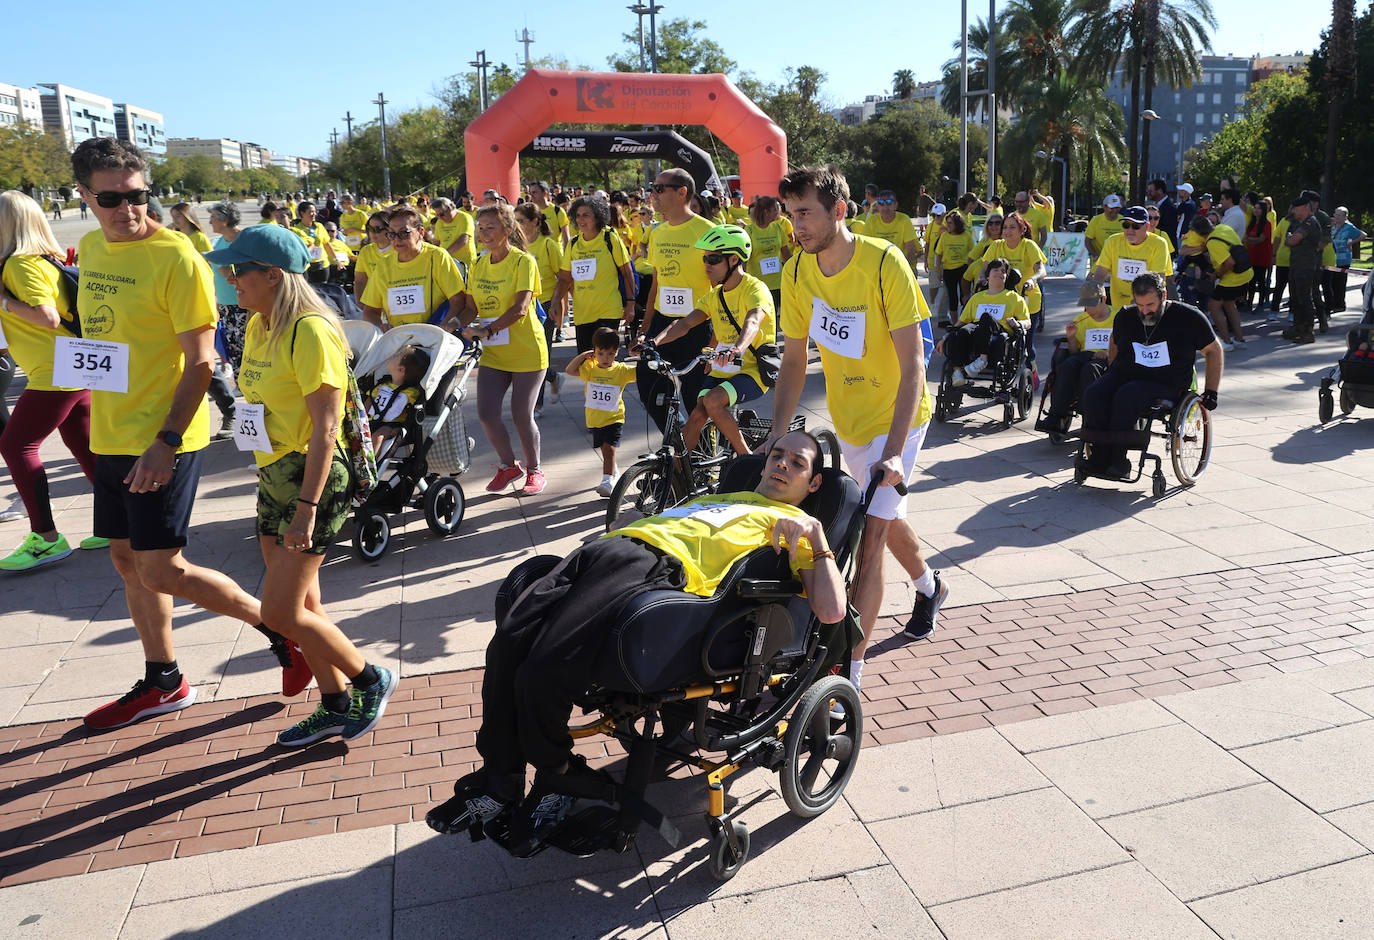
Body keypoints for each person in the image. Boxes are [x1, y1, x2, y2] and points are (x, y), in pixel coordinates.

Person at [426, 430, 846, 847]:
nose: (782, 464)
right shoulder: (721, 496)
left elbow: (831, 611)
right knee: (505, 649)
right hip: (607, 549)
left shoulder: (794, 528)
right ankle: (501, 779)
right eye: (778, 455)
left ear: (812, 484)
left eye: (798, 463)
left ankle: (560, 776)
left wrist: (816, 534)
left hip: (649, 565)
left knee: (544, 669)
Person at [68, 138, 302, 730]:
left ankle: (278, 627)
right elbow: (103, 335)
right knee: (125, 559)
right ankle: (164, 679)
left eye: (138, 195)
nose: (129, 209)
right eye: (111, 198)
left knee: (162, 568)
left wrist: (165, 442)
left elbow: (202, 362)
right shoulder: (92, 247)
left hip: (166, 435)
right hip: (113, 431)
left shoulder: (176, 257)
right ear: (85, 197)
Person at [205, 225, 397, 745]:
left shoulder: (310, 330)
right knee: (305, 607)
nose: (229, 279)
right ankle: (334, 702)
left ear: (273, 275)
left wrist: (308, 506)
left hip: (313, 477)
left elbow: (327, 428)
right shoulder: (261, 322)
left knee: (281, 611)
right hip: (274, 471)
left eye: (238, 270)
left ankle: (370, 678)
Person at [764, 165, 945, 693]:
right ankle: (930, 586)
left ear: (839, 211)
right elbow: (795, 359)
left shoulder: (884, 262)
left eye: (805, 213)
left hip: (900, 421)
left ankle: (850, 675)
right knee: (885, 521)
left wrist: (893, 451)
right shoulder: (798, 271)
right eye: (790, 214)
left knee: (868, 542)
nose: (795, 225)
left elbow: (915, 363)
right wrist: (778, 432)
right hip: (849, 421)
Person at [0, 190, 103, 571]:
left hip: (54, 370)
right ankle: (118, 523)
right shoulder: (45, 260)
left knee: (16, 444)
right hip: (71, 365)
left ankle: (45, 538)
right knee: (84, 443)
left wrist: (4, 302)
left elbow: (46, 317)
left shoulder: (19, 265)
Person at [644, 223, 777, 457]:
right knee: (697, 413)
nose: (706, 265)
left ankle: (747, 459)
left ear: (734, 260)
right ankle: (677, 471)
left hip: (752, 371)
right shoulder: (714, 295)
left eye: (713, 259)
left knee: (713, 401)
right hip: (722, 369)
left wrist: (737, 348)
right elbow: (683, 324)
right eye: (705, 259)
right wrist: (653, 342)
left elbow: (753, 321)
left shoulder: (755, 289)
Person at [1077, 272, 1222, 480]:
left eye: (1150, 305)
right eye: (1140, 305)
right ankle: (1100, 455)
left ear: (1164, 295)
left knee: (1127, 395)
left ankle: (1119, 460)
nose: (1145, 311)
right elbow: (1114, 344)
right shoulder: (1126, 316)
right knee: (1094, 393)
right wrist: (1111, 372)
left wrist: (1211, 391)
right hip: (1126, 373)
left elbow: (1214, 351)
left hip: (1166, 381)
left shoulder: (1189, 317)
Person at [446, 204, 549, 496]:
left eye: (490, 226)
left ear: (507, 229)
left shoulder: (523, 262)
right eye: (481, 227)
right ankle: (508, 466)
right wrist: (451, 324)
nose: (484, 232)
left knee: (520, 414)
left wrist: (486, 330)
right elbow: (470, 309)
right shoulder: (478, 265)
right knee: (487, 413)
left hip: (527, 350)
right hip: (494, 351)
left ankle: (534, 470)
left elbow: (520, 308)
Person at [636, 168, 715, 434]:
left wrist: (717, 340)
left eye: (659, 189)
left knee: (696, 400)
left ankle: (703, 459)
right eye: (652, 188)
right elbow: (656, 285)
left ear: (682, 192)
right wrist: (646, 328)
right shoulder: (658, 232)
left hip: (697, 326)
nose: (652, 195)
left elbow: (721, 289)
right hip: (662, 325)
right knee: (649, 387)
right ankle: (679, 443)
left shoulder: (708, 232)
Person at [550, 194, 635, 353]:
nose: (581, 220)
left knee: (605, 360)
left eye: (586, 215)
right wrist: (555, 301)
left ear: (597, 217)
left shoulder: (610, 237)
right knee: (586, 363)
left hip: (608, 309)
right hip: (583, 313)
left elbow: (627, 271)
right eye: (578, 216)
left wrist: (630, 303)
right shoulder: (574, 244)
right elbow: (564, 279)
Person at [360, 207, 466, 331]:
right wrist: (381, 326)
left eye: (404, 233)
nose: (397, 239)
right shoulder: (383, 265)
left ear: (421, 232)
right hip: (399, 338)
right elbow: (370, 311)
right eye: (392, 234)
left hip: (434, 335)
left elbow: (458, 300)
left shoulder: (437, 256)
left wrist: (444, 327)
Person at [565, 327, 637, 496]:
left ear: (617, 352)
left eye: (611, 354)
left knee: (609, 447)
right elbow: (570, 370)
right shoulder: (590, 369)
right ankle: (614, 471)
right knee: (605, 450)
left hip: (614, 417)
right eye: (601, 353)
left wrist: (639, 357)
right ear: (594, 352)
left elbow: (641, 373)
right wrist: (583, 356)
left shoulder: (621, 370)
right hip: (594, 419)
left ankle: (607, 481)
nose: (606, 358)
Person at [938, 258, 1030, 386]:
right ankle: (958, 371)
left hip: (999, 331)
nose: (999, 273)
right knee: (963, 331)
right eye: (996, 269)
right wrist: (946, 336)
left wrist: (1018, 324)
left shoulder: (1014, 298)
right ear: (987, 276)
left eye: (1003, 271)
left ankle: (983, 359)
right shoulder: (976, 298)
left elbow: (1028, 322)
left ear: (1006, 277)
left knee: (986, 317)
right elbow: (962, 321)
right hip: (977, 329)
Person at [1038, 282, 1114, 436]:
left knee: (1090, 369)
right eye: (1086, 305)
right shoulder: (1081, 319)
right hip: (1085, 354)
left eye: (1092, 304)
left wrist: (1107, 354)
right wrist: (1071, 338)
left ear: (1103, 299)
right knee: (1068, 364)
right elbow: (1074, 351)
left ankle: (1089, 414)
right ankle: (1056, 415)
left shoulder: (1117, 317)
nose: (1089, 309)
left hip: (1109, 358)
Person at [979, 212, 1048, 367]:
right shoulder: (996, 246)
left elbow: (1042, 270)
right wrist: (982, 278)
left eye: (1012, 227)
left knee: (1026, 344)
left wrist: (1033, 279)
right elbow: (984, 269)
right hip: (1003, 300)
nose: (1007, 231)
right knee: (1003, 339)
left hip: (1028, 299)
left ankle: (1031, 370)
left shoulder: (1029, 245)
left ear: (1022, 229)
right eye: (1005, 227)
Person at [515, 204, 565, 415]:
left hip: (544, 306)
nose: (517, 225)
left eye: (521, 221)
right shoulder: (515, 246)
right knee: (526, 354)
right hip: (524, 307)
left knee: (540, 354)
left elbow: (563, 277)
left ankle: (537, 404)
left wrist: (556, 304)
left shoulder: (548, 245)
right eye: (515, 221)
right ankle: (553, 376)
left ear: (535, 222)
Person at [1090, 205, 1173, 310]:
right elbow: (1101, 272)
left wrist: (1140, 301)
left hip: (1148, 307)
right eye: (1126, 225)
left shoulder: (1159, 243)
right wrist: (1093, 297)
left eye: (1136, 226)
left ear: (1147, 227)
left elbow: (1158, 279)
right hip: (1118, 306)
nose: (1130, 230)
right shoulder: (1113, 241)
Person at [1191, 215, 1251, 349]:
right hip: (1246, 273)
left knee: (1213, 306)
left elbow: (1230, 262)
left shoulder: (1212, 243)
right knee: (1229, 304)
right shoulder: (1223, 227)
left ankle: (1226, 342)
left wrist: (1216, 275)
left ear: (1199, 234)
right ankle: (1239, 340)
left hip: (1232, 279)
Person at [207, 202, 249, 372]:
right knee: (233, 349)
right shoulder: (217, 243)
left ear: (224, 220)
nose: (210, 222)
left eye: (213, 218)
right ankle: (243, 387)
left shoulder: (245, 239)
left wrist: (233, 273)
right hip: (226, 305)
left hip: (246, 305)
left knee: (248, 347)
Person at [366, 344, 429, 457]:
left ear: (401, 369)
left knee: (379, 436)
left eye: (397, 355)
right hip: (370, 420)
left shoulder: (410, 393)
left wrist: (401, 427)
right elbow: (369, 402)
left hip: (390, 425)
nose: (393, 356)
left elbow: (411, 412)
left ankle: (370, 464)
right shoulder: (382, 385)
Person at [1281, 195, 1326, 344]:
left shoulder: (1309, 222)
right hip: (1296, 265)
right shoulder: (1298, 222)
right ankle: (1298, 327)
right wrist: (1290, 239)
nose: (1293, 210)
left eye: (1296, 208)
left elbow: (1293, 240)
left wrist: (1290, 239)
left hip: (1305, 266)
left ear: (1306, 207)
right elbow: (1289, 239)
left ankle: (1308, 331)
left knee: (1304, 298)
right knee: (1295, 297)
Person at [743, 195, 792, 311]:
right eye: (775, 209)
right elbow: (744, 260)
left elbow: (786, 255)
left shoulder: (777, 228)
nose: (779, 212)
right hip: (757, 284)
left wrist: (796, 274)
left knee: (774, 318)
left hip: (777, 283)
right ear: (766, 212)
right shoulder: (749, 230)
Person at [863, 190, 921, 269]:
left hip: (903, 266)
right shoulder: (871, 221)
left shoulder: (904, 220)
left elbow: (911, 250)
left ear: (896, 205)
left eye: (889, 202)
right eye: (881, 203)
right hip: (880, 268)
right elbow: (867, 248)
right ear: (877, 206)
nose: (885, 207)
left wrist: (903, 269)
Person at [933, 210, 975, 315]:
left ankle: (964, 320)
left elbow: (973, 252)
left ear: (957, 223)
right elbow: (938, 254)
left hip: (963, 269)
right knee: (952, 298)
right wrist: (938, 270)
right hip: (948, 270)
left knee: (964, 296)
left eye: (950, 223)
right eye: (947, 223)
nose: (948, 225)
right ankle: (955, 323)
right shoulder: (944, 236)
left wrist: (971, 268)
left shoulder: (966, 235)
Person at [1325, 207, 1365, 314]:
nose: (1336, 217)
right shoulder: (1332, 226)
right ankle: (1332, 303)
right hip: (1333, 258)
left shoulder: (1349, 227)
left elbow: (1363, 235)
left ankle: (1340, 305)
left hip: (1344, 259)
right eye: (1335, 214)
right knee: (1331, 282)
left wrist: (1351, 243)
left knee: (1340, 283)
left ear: (1345, 217)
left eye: (1339, 215)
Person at [291, 202, 342, 284]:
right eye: (311, 212)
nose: (314, 214)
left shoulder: (319, 226)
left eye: (315, 212)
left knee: (323, 290)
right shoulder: (296, 229)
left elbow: (327, 244)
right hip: (306, 266)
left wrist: (336, 260)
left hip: (322, 264)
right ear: (302, 213)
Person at [431, 196, 477, 275]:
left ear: (450, 208)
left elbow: (463, 240)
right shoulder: (439, 222)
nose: (440, 218)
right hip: (448, 264)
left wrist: (445, 255)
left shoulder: (465, 218)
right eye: (437, 215)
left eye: (442, 214)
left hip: (465, 264)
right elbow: (436, 243)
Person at [353, 211, 392, 301]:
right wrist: (360, 303)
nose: (373, 232)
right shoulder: (365, 251)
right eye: (370, 228)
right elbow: (359, 281)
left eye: (378, 229)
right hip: (375, 301)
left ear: (389, 229)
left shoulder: (399, 249)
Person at [1244, 198, 1275, 313]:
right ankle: (1249, 303)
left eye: (1259, 208)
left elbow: (1261, 239)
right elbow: (1246, 238)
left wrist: (1250, 240)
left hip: (1262, 256)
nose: (1256, 210)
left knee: (1261, 280)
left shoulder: (1267, 224)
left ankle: (1261, 303)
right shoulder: (1251, 223)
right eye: (1255, 208)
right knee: (1250, 281)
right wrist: (1251, 240)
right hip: (1251, 256)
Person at [528, 181, 570, 248]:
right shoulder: (530, 212)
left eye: (534, 192)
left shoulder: (558, 211)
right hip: (536, 255)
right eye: (530, 193)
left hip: (555, 254)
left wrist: (566, 256)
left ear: (545, 193)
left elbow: (566, 238)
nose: (531, 196)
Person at [1085, 195, 1124, 262]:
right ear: (1104, 207)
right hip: (1099, 261)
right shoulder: (1095, 220)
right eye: (1112, 208)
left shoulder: (1123, 221)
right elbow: (1087, 241)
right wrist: (1096, 256)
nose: (1115, 210)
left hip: (1118, 261)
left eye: (1117, 207)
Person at [1146, 179, 1177, 252]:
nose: (1148, 193)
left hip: (1166, 248)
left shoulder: (1169, 208)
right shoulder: (1160, 205)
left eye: (1150, 191)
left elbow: (1169, 230)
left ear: (1159, 191)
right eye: (1149, 218)